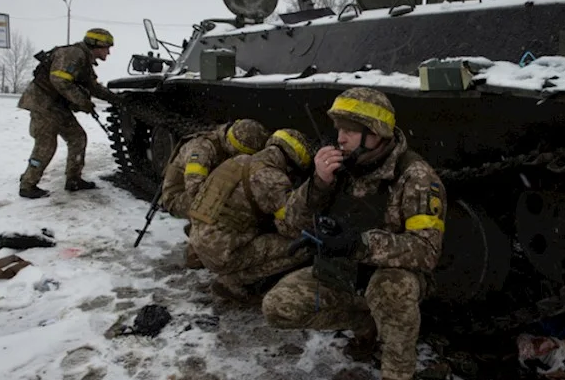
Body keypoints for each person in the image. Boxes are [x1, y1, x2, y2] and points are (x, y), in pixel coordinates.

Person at [261, 87, 448, 380]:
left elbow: (427, 251)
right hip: (344, 272)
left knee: (390, 289)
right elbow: (293, 221)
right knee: (279, 306)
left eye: (349, 131)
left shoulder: (416, 177)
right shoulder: (342, 167)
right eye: (339, 130)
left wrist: (361, 244)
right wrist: (319, 183)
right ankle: (365, 323)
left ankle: (398, 371)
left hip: (391, 275)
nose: (340, 139)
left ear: (375, 133)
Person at [187, 128, 317, 299]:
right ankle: (232, 281)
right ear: (292, 164)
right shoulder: (272, 179)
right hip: (221, 252)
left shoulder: (239, 160)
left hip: (199, 239)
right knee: (302, 247)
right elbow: (291, 228)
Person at [17, 28, 121, 199]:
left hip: (58, 106)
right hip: (43, 104)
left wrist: (116, 99)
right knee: (46, 145)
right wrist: (83, 102)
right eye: (106, 48)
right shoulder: (74, 54)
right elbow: (59, 81)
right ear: (96, 45)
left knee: (77, 138)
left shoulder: (84, 60)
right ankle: (28, 185)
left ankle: (74, 179)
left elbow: (93, 87)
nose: (108, 52)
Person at [159, 119, 270, 267]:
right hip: (177, 195)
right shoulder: (202, 150)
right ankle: (197, 249)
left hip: (204, 188)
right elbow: (195, 191)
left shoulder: (225, 140)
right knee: (223, 208)